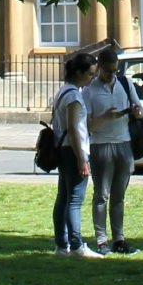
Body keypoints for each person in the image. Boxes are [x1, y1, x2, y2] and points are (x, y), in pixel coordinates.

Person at [79, 41, 139, 254]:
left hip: (123, 142)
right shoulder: (89, 91)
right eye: (107, 71)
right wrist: (105, 117)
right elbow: (87, 125)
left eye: (115, 70)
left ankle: (119, 238)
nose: (111, 75)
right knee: (101, 195)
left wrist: (136, 111)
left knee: (119, 195)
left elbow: (139, 109)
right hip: (101, 145)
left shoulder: (125, 83)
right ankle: (102, 240)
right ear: (99, 68)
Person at [48, 52, 98, 257]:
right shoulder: (74, 96)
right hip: (73, 149)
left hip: (63, 148)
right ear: (78, 73)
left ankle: (62, 244)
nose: (92, 79)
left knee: (63, 198)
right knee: (75, 200)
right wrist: (81, 158)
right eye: (90, 75)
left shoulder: (62, 92)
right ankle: (76, 245)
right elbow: (74, 128)